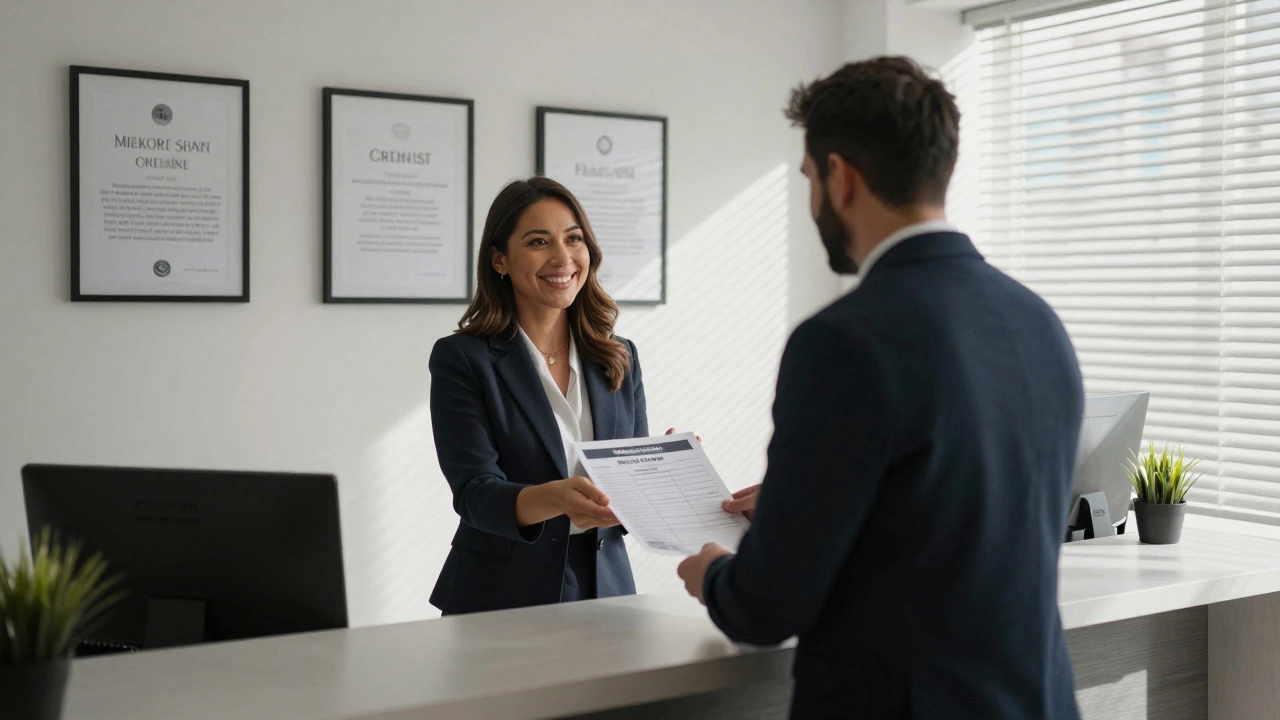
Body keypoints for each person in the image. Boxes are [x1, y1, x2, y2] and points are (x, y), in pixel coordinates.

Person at [676, 57, 1085, 719]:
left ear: (841, 178)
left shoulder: (841, 343)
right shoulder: (1036, 320)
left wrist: (713, 573)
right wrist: (800, 506)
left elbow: (766, 607)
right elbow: (948, 516)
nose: (811, 200)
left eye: (809, 178)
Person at [429, 176, 648, 615]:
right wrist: (557, 499)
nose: (562, 258)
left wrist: (668, 466)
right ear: (500, 259)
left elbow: (630, 481)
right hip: (498, 599)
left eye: (574, 239)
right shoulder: (462, 359)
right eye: (538, 241)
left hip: (606, 593)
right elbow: (474, 494)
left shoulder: (617, 356)